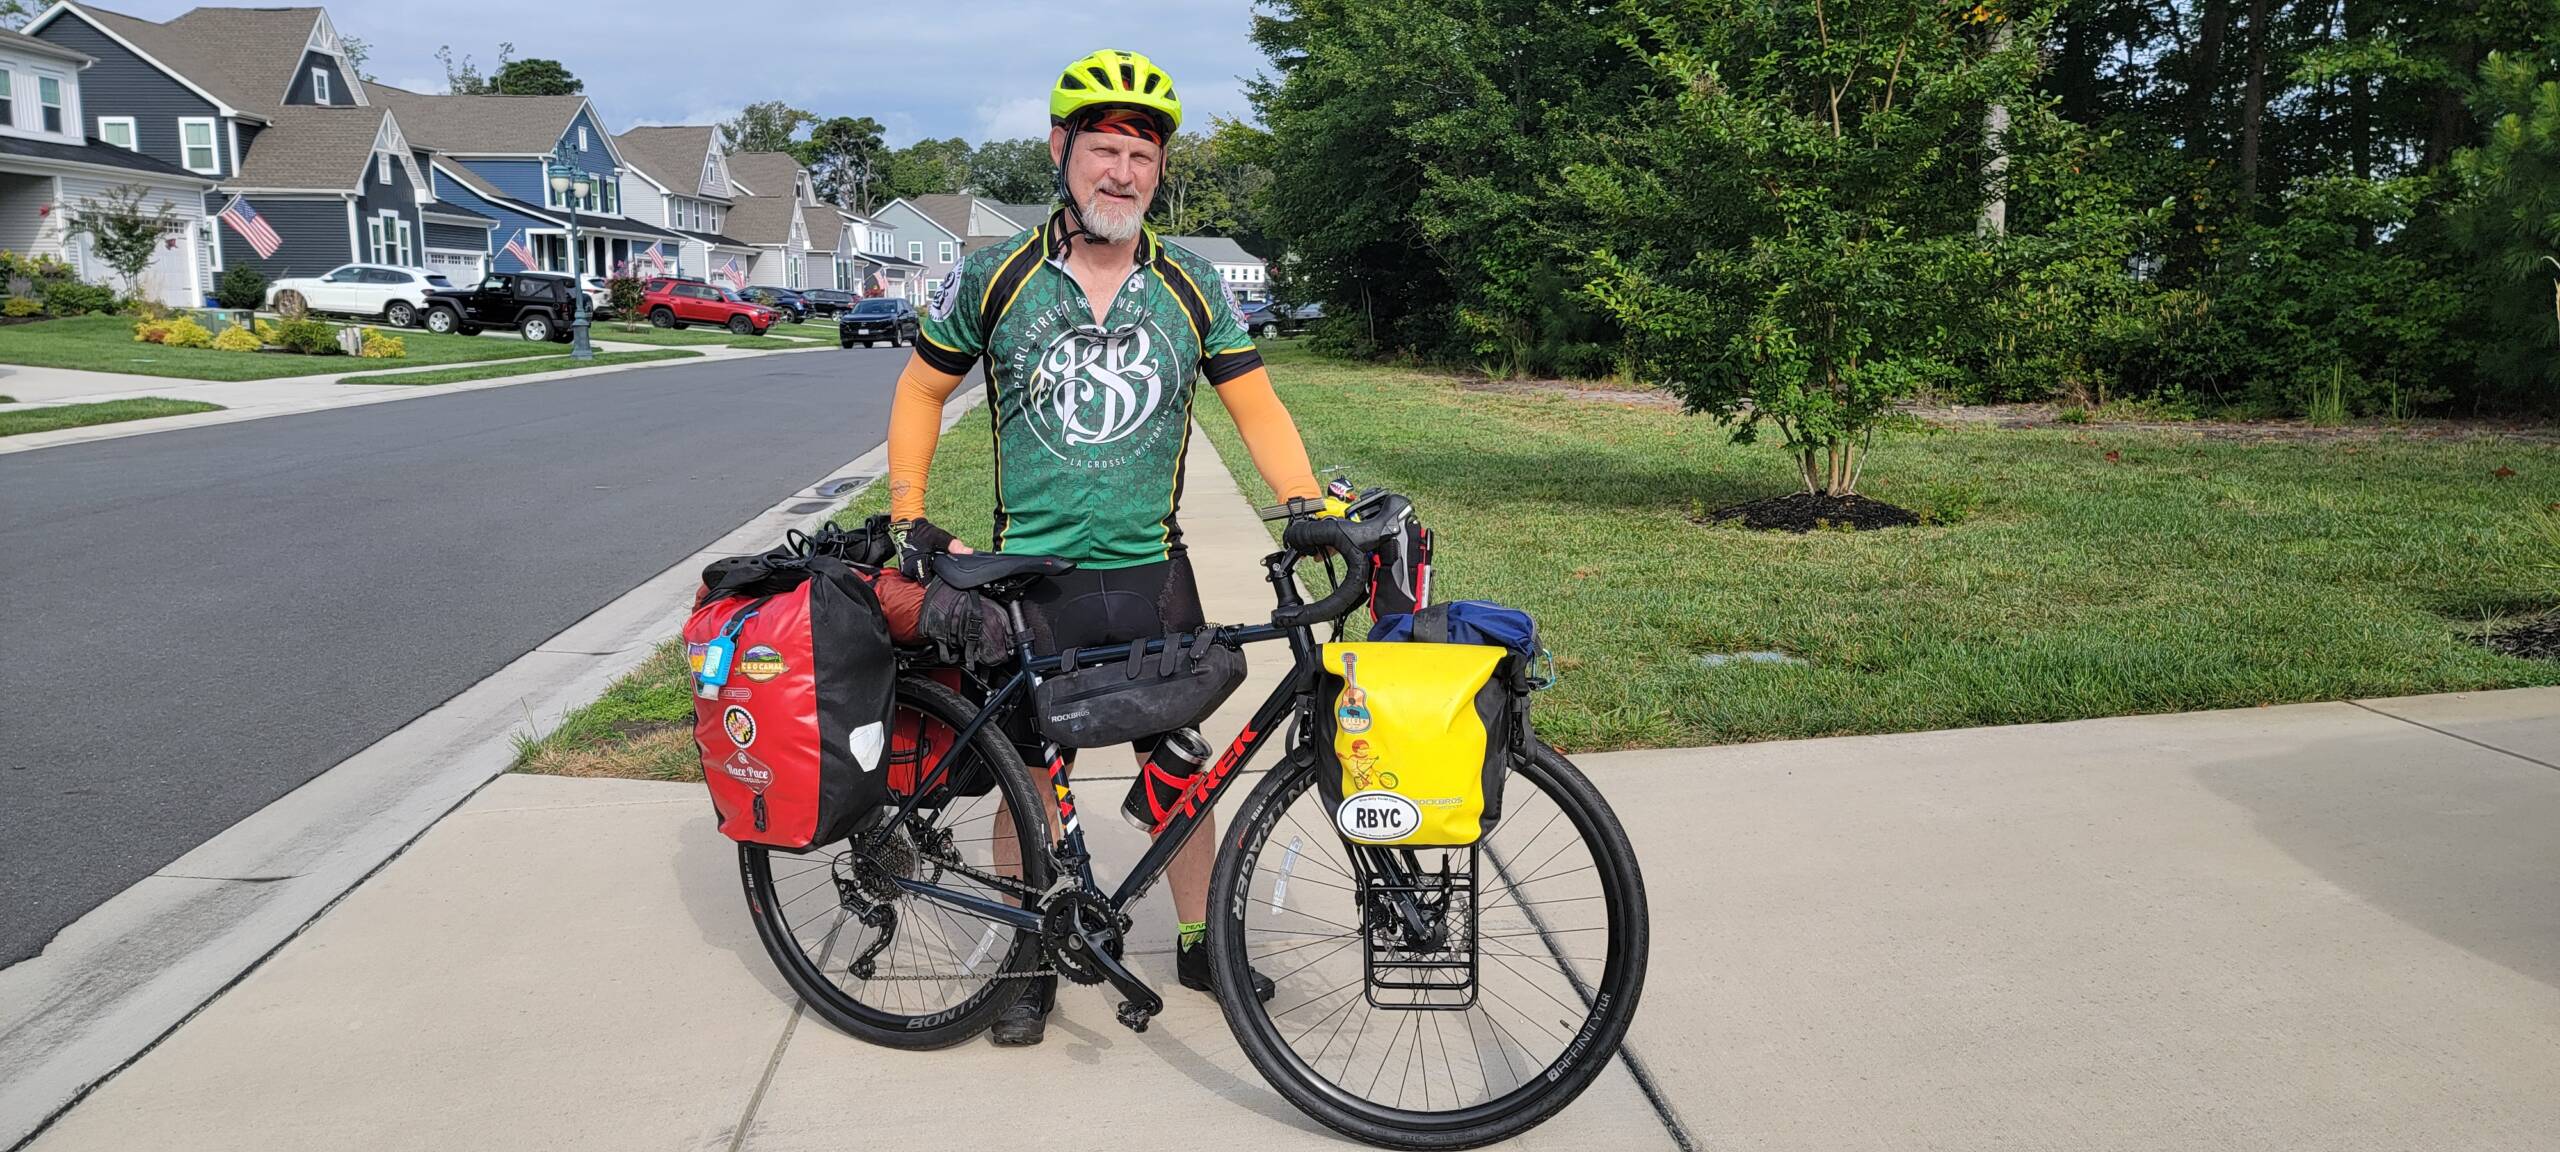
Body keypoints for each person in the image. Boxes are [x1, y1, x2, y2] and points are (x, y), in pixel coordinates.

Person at [880, 48, 1324, 1047]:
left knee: (1180, 772)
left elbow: (1254, 404)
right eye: (1102, 151)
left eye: (1139, 155)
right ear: (1060, 152)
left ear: (1158, 171)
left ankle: (1206, 941)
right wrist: (909, 509)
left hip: (1150, 577)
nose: (1121, 172)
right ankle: (1027, 959)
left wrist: (1302, 499)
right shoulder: (996, 275)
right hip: (1031, 581)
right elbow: (919, 388)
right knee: (1031, 783)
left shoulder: (1190, 284)